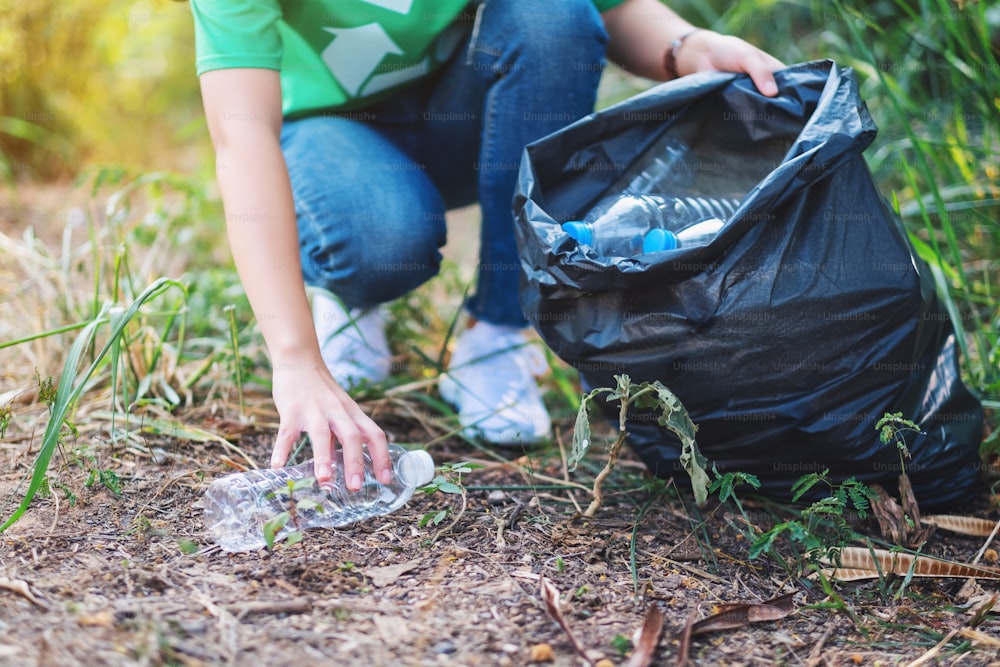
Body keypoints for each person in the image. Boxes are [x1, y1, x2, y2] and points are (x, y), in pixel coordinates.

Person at [189, 0, 784, 491]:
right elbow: (243, 141)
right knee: (381, 237)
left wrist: (684, 45)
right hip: (327, 134)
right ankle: (346, 287)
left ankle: (499, 332)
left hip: (454, 117)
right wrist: (296, 358)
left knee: (553, 12)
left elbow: (603, 11)